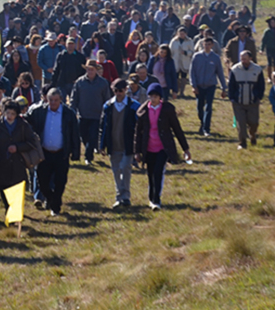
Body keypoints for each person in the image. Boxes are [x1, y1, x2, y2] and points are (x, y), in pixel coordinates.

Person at [133, 83, 191, 211]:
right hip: (148, 148)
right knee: (150, 173)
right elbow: (138, 133)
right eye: (151, 96)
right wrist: (136, 151)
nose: (153, 99)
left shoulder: (167, 110)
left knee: (158, 172)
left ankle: (156, 200)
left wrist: (185, 149)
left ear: (160, 97)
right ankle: (151, 197)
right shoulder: (143, 112)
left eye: (156, 96)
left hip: (162, 148)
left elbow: (177, 129)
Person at [26, 89, 81, 215]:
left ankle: (55, 206)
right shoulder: (39, 111)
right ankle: (51, 199)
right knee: (42, 181)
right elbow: (28, 121)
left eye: (56, 100)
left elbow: (74, 134)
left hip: (61, 153)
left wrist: (75, 152)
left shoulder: (68, 114)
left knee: (60, 182)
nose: (53, 103)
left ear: (61, 100)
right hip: (44, 153)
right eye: (50, 100)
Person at [0, 99, 36, 216]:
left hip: (18, 164)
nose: (9, 116)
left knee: (16, 191)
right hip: (1, 164)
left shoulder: (23, 125)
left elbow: (32, 142)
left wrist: (17, 147)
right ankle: (9, 211)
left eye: (12, 114)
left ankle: (14, 217)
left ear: (17, 114)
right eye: (7, 113)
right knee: (4, 190)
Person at [98, 79, 139, 209]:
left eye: (120, 90)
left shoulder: (134, 106)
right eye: (116, 90)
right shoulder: (108, 106)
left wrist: (138, 145)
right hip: (113, 143)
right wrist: (101, 144)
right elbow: (103, 126)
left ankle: (125, 196)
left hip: (127, 144)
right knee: (116, 171)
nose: (118, 93)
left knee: (126, 168)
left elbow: (139, 127)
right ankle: (119, 197)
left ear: (126, 90)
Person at [71, 60, 112, 164]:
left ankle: (88, 157)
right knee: (83, 135)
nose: (90, 71)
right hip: (83, 115)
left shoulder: (103, 83)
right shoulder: (79, 82)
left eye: (92, 70)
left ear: (96, 70)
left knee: (93, 136)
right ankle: (89, 148)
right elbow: (74, 98)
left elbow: (107, 99)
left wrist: (107, 112)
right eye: (88, 69)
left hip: (97, 116)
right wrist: (73, 110)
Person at [190, 36, 227, 136]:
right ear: (202, 44)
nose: (207, 46)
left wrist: (224, 87)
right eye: (205, 44)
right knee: (199, 107)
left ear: (212, 45)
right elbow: (192, 72)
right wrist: (194, 86)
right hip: (199, 86)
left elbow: (220, 73)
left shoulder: (215, 58)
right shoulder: (197, 57)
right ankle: (202, 123)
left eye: (209, 44)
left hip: (210, 86)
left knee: (208, 107)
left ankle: (207, 129)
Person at [228, 50, 265, 149]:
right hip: (238, 103)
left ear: (250, 58)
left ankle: (252, 134)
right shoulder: (235, 69)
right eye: (241, 59)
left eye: (245, 58)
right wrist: (232, 98)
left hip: (252, 102)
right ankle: (242, 143)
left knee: (254, 123)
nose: (243, 61)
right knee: (241, 124)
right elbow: (231, 86)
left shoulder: (257, 69)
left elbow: (261, 85)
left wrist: (258, 97)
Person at [169, 26, 195, 99]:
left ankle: (182, 92)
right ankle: (176, 91)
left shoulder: (189, 41)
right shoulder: (174, 41)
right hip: (176, 61)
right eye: (180, 33)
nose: (181, 35)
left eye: (183, 33)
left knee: (183, 77)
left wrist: (186, 52)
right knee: (176, 77)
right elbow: (170, 51)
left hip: (185, 61)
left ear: (185, 34)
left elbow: (192, 51)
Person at [261, 17, 275, 82]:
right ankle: (269, 77)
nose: (273, 24)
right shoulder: (267, 31)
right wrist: (261, 49)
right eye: (271, 22)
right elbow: (263, 41)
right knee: (269, 62)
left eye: (274, 22)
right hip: (269, 48)